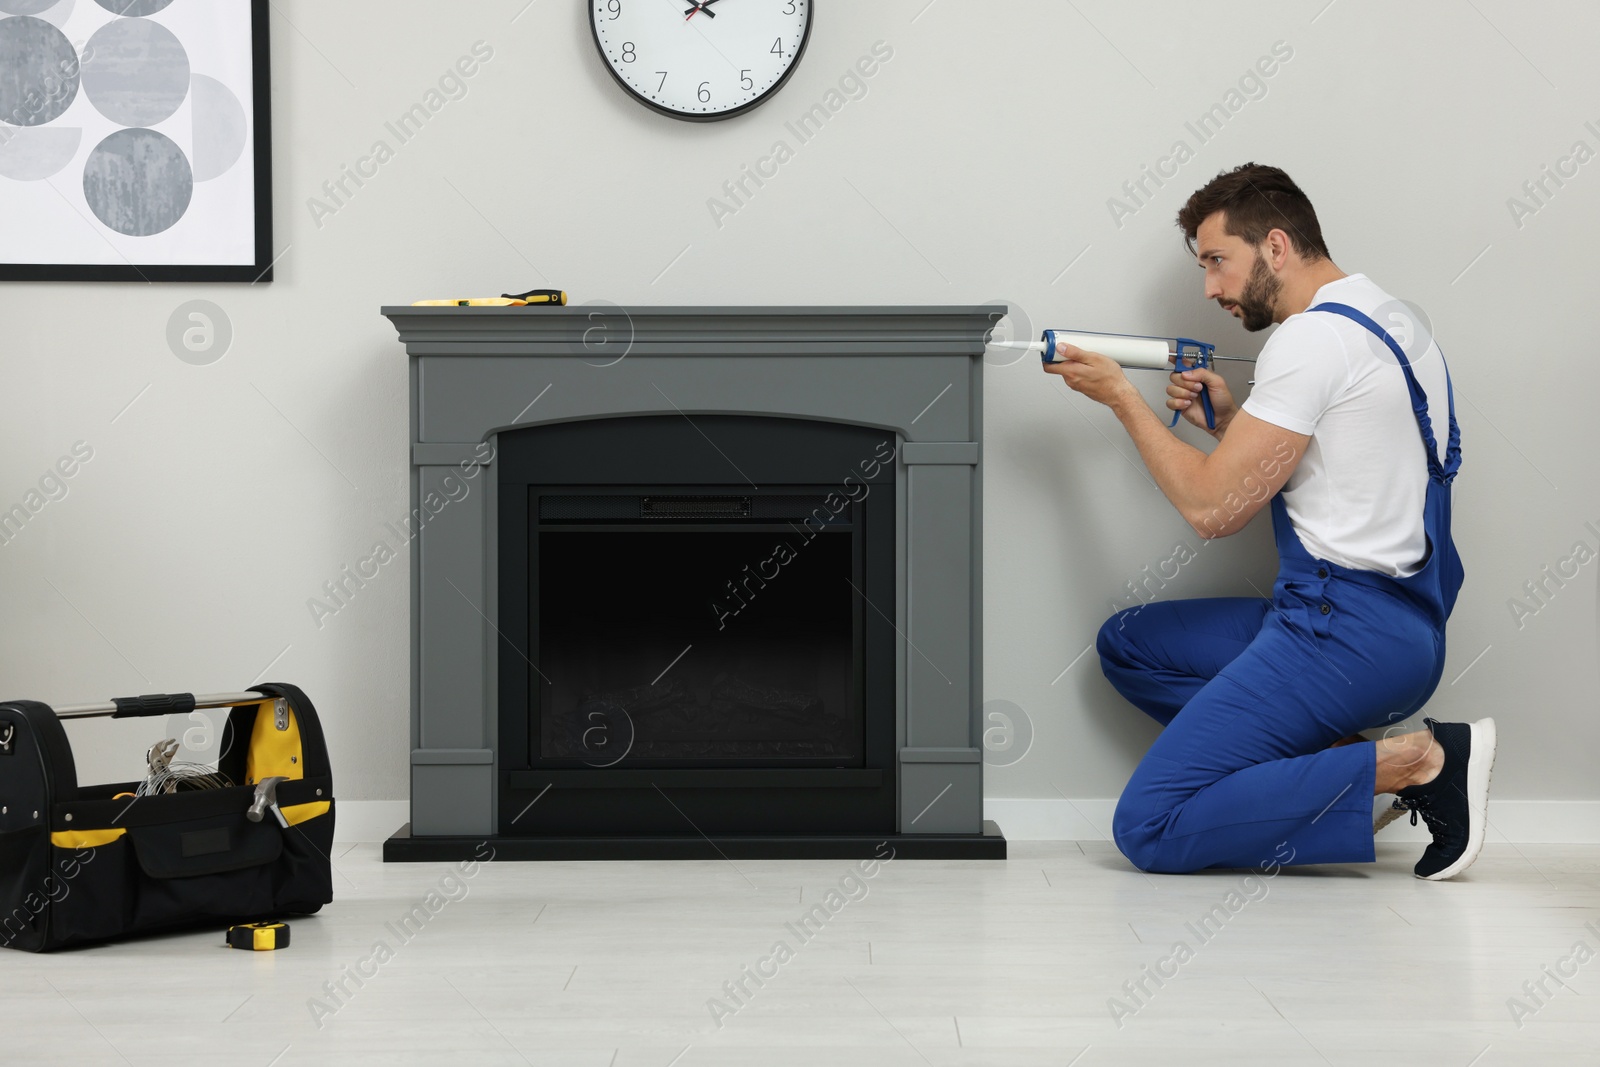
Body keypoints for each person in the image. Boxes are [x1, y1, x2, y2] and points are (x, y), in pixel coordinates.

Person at [1045, 163, 1494, 879]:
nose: (1210, 288)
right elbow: (1345, 469)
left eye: (1218, 261)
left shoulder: (1308, 340)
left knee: (1148, 825)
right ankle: (1347, 769)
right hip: (1405, 627)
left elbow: (1212, 510)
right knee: (1130, 644)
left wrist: (1121, 399)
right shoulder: (1393, 323)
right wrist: (1230, 424)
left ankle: (1415, 762)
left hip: (1339, 634)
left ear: (1277, 247)